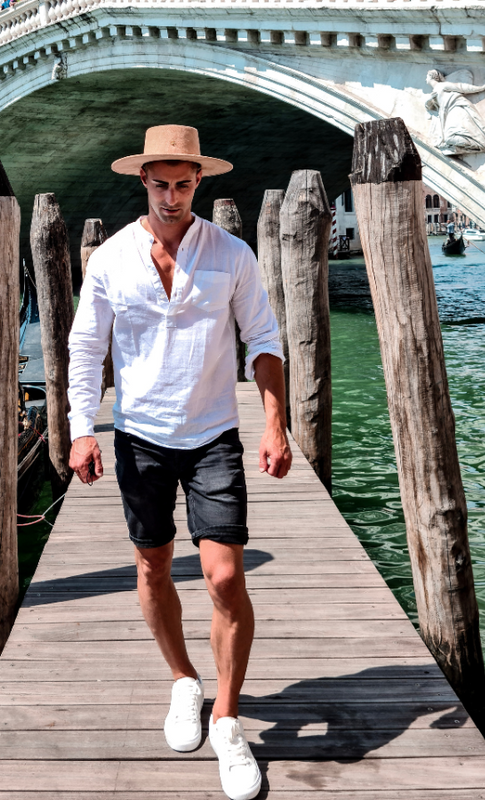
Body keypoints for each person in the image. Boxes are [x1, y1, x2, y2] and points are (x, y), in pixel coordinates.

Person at [68, 124, 291, 800]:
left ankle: (226, 717)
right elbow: (85, 348)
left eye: (184, 185)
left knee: (225, 578)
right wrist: (83, 430)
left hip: (215, 432)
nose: (171, 196)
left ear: (200, 184)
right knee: (152, 564)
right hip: (139, 437)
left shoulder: (233, 255)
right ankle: (182, 680)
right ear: (143, 182)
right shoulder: (108, 259)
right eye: (161, 184)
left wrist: (275, 422)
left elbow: (264, 338)